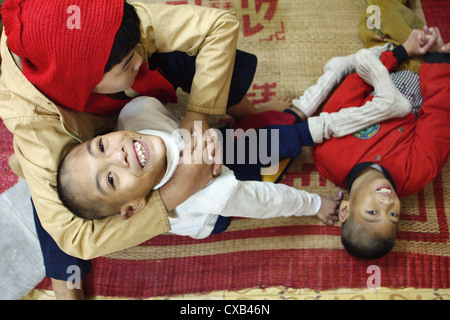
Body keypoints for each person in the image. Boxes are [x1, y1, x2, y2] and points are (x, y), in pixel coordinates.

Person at [0, 0, 289, 299]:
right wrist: (178, 189)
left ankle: (245, 114)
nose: (140, 58)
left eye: (135, 51)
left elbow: (219, 26)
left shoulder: (98, 20)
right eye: (128, 63)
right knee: (68, 191)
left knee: (186, 57)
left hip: (126, 109)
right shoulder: (39, 133)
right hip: (80, 145)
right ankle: (67, 284)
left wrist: (198, 116)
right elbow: (73, 235)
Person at [57, 96, 343, 239]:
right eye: (109, 179)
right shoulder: (211, 195)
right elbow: (263, 201)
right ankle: (292, 134)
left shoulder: (136, 112)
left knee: (253, 142)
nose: (118, 155)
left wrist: (199, 130)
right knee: (259, 173)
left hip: (214, 146)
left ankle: (305, 131)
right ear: (132, 208)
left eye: (101, 147)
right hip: (211, 216)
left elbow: (176, 115)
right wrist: (314, 203)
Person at [291, 26, 450, 260]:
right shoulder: (415, 174)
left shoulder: (329, 155)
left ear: (345, 209)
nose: (388, 204)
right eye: (394, 216)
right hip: (428, 78)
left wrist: (400, 53)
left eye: (373, 212)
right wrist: (439, 60)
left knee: (378, 21)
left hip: (382, 66)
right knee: (431, 37)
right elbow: (439, 116)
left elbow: (352, 87)